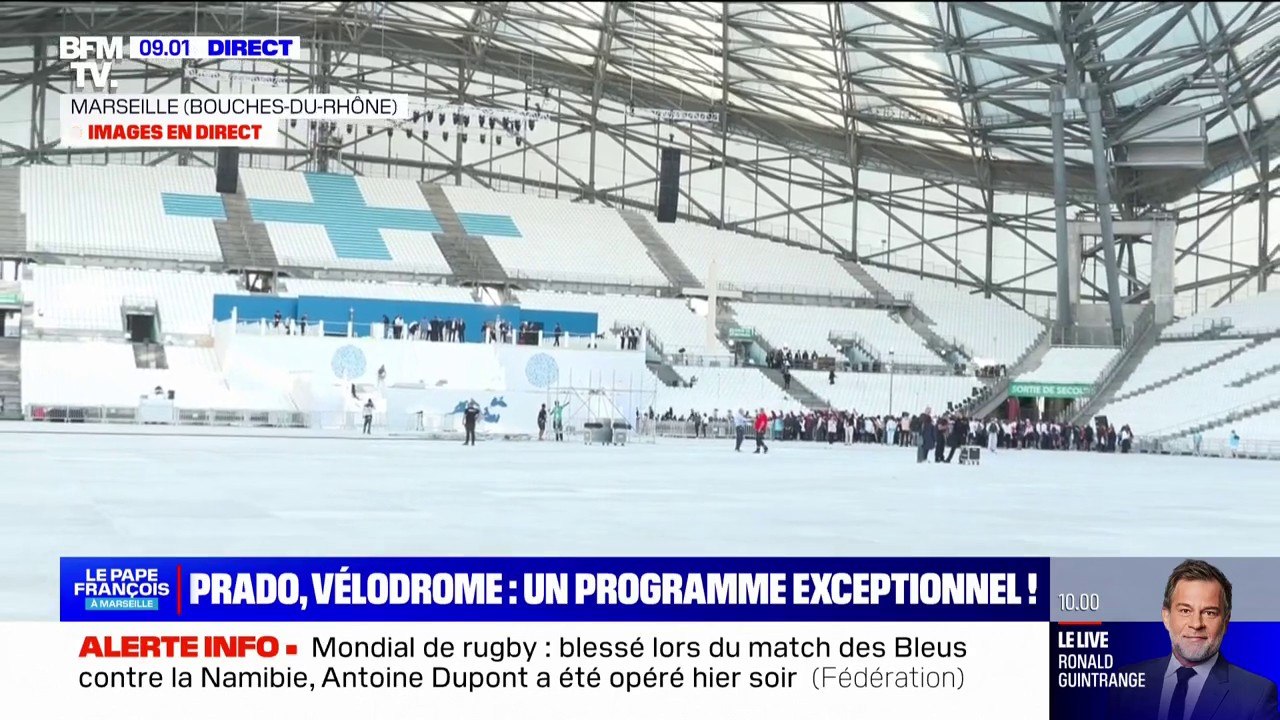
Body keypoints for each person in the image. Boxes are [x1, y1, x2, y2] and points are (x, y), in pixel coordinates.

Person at [1107, 559, 1278, 720]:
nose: (1196, 624)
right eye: (1185, 611)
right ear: (1166, 617)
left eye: (1209, 613)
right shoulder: (1126, 684)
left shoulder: (1256, 696)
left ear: (1225, 622)